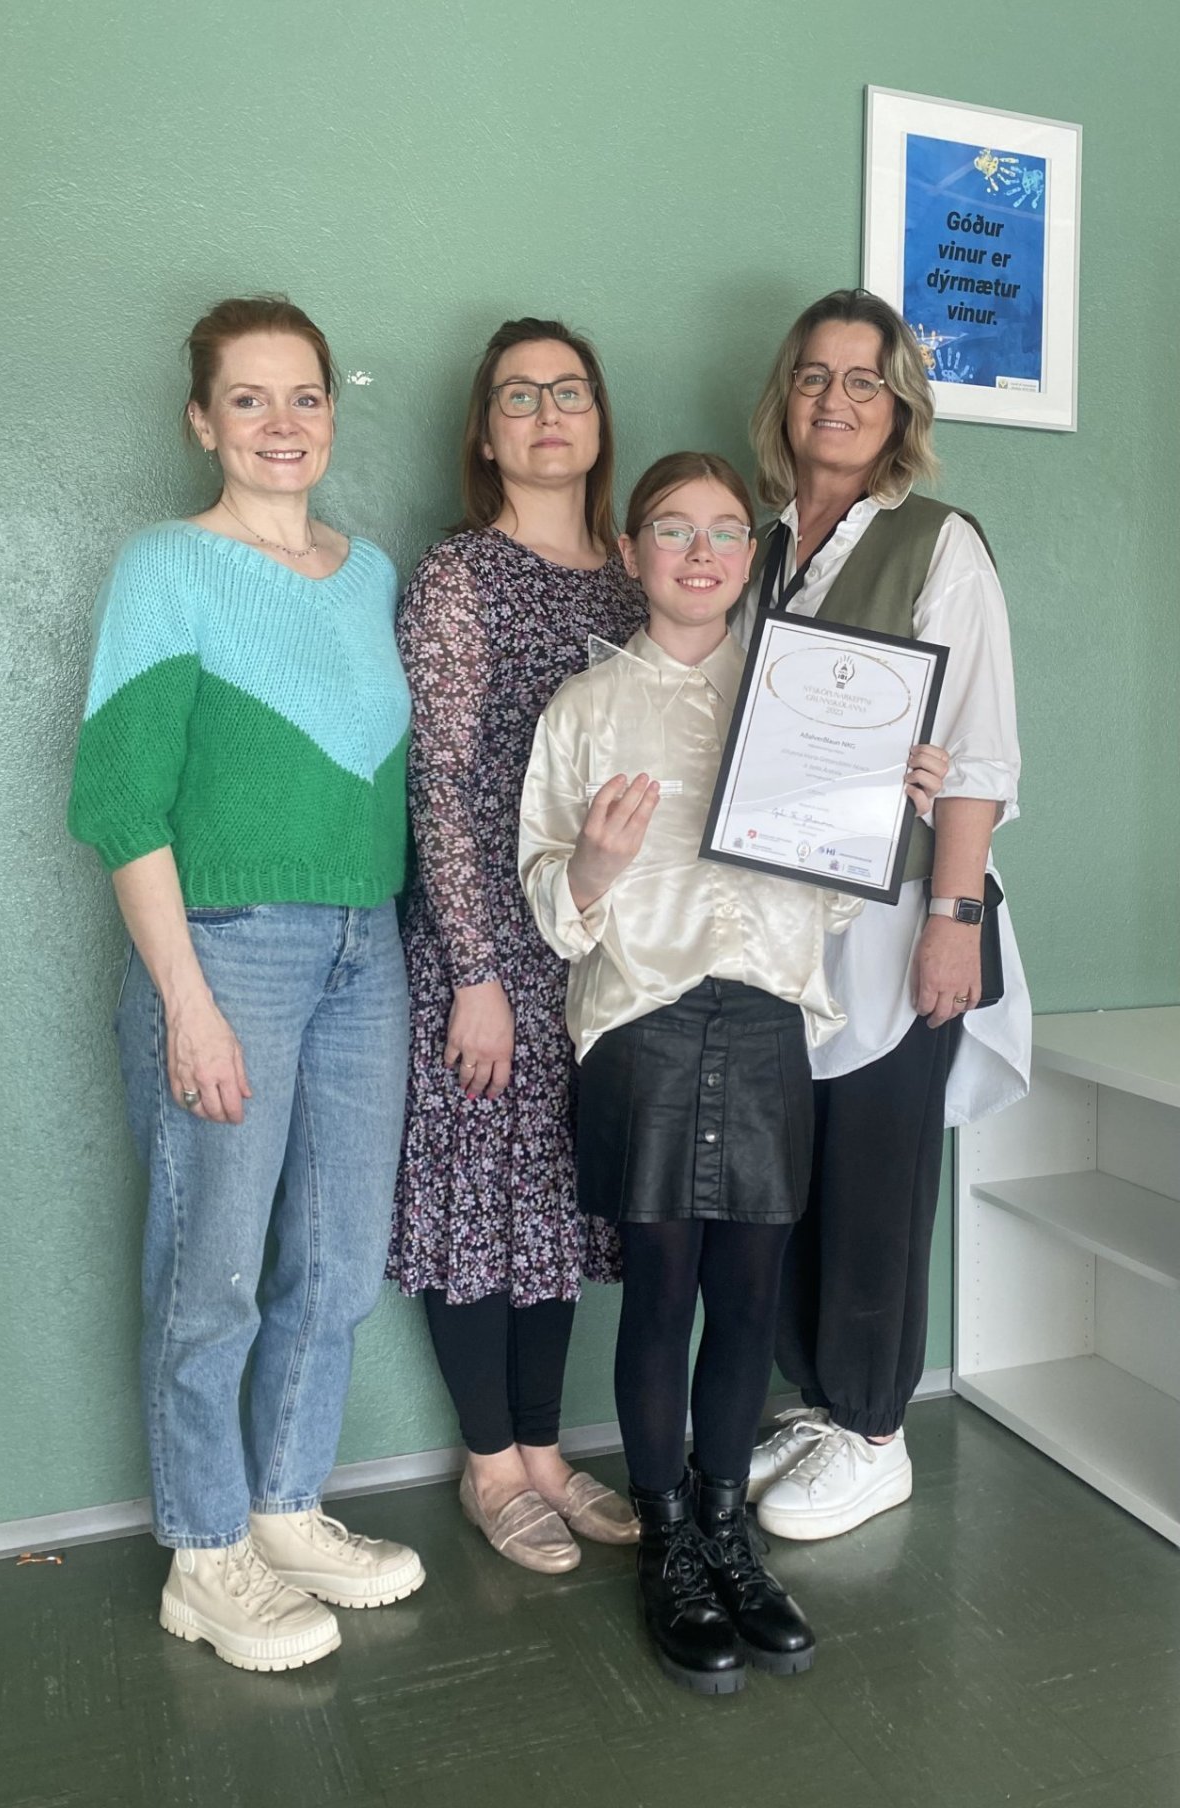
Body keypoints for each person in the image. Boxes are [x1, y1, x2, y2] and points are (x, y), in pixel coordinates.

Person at [519, 451, 946, 1693]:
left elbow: (838, 887)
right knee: (661, 1287)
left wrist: (892, 803)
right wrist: (592, 867)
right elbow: (551, 901)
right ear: (632, 551)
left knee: (749, 1294)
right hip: (643, 1020)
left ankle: (726, 1530)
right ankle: (668, 1541)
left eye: (722, 530)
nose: (700, 552)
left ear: (752, 556)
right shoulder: (585, 706)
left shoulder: (807, 699)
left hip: (768, 1017)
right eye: (671, 529)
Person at [67, 296, 424, 1672]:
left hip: (366, 946)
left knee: (335, 1259)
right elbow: (121, 802)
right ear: (201, 422)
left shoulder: (369, 571)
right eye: (250, 399)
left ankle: (282, 1507)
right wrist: (187, 998)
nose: (283, 424)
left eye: (305, 396)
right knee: (211, 1267)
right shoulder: (166, 566)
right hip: (227, 946)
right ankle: (204, 1551)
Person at [741, 288, 1029, 1540]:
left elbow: (978, 750)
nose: (837, 399)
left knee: (877, 1172)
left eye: (866, 379)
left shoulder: (939, 544)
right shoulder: (759, 545)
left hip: (904, 909)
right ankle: (818, 1399)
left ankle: (873, 1431)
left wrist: (952, 915)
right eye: (816, 375)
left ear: (900, 405)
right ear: (786, 396)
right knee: (798, 1169)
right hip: (783, 920)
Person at [389, 318, 644, 1572]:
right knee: (476, 1199)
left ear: (600, 421)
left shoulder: (637, 578)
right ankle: (489, 1462)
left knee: (553, 1200)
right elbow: (436, 784)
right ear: (486, 434)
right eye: (519, 396)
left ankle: (546, 1447)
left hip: (595, 945)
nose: (549, 414)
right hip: (485, 939)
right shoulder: (460, 576)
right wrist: (475, 975)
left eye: (571, 391)